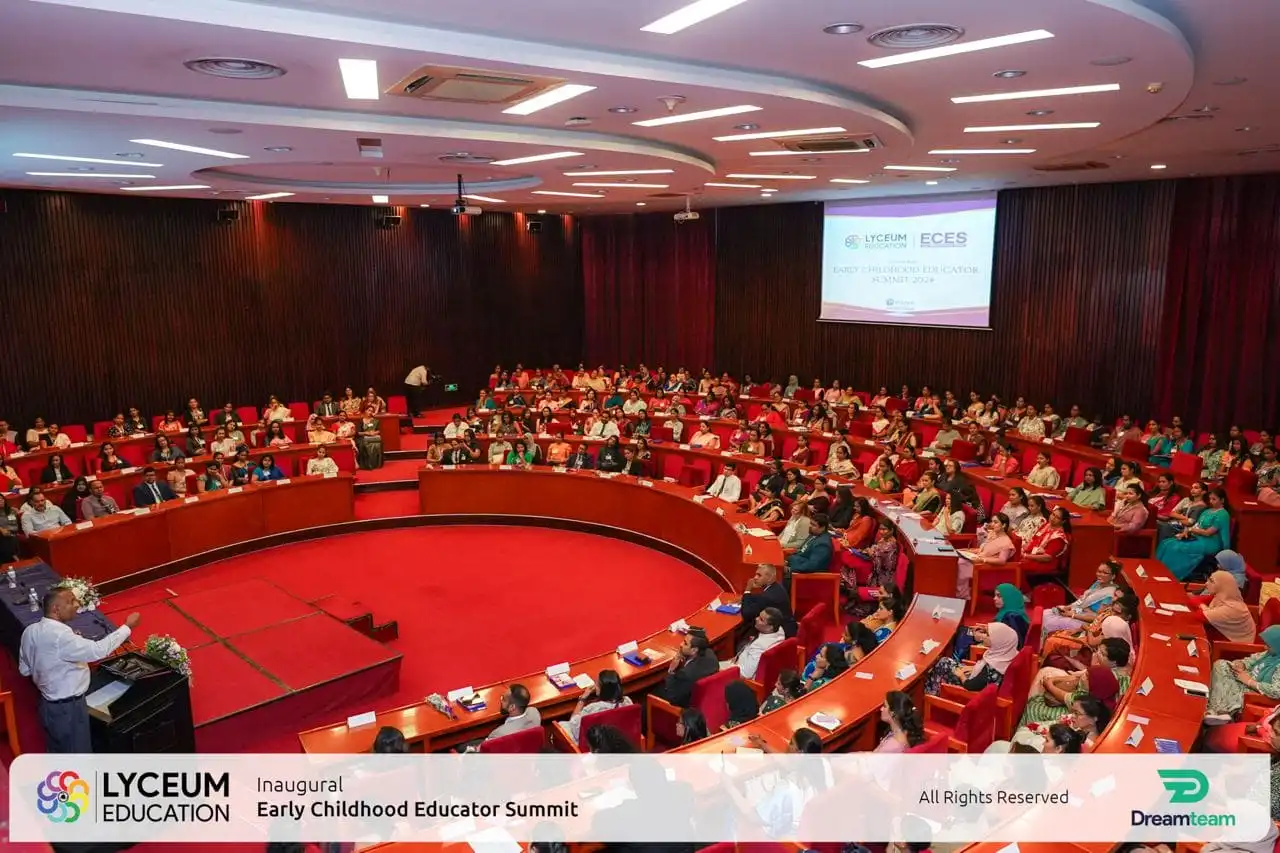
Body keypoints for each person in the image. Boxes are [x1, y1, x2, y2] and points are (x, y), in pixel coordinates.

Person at [19, 587, 140, 752]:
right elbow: (98, 650)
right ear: (56, 609)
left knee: (57, 752)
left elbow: (25, 670)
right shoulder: (61, 637)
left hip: (47, 706)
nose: (77, 604)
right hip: (69, 709)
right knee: (78, 756)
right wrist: (127, 627)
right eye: (71, 602)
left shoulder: (30, 631)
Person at [1204, 627, 1280, 725]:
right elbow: (1252, 660)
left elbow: (1276, 691)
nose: (1265, 647)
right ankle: (1217, 711)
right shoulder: (1271, 653)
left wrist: (1249, 681)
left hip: (1257, 692)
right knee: (1221, 665)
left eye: (1269, 646)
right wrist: (1242, 664)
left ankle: (1218, 711)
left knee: (1226, 685)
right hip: (1245, 678)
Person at [1155, 486, 1231, 580]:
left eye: (1214, 499)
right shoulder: (1207, 511)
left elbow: (1208, 533)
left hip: (1210, 542)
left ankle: (1170, 576)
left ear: (1222, 500)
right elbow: (1196, 525)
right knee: (1167, 543)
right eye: (1210, 499)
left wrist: (1191, 530)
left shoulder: (1223, 514)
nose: (1211, 501)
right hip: (1197, 537)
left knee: (1176, 547)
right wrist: (1185, 533)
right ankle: (1157, 571)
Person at [925, 621, 1019, 695]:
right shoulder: (1004, 655)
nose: (983, 636)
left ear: (998, 641)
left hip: (969, 686)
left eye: (987, 635)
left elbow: (970, 686)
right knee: (944, 661)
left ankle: (931, 693)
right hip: (975, 675)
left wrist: (961, 675)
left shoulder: (992, 669)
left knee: (942, 665)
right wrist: (970, 668)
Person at [1042, 559, 1121, 634]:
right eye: (1099, 571)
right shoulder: (1097, 583)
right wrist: (1068, 607)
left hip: (1087, 621)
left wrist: (1072, 615)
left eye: (1105, 573)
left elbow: (1098, 618)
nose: (1100, 574)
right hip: (1080, 611)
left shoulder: (1110, 594)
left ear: (1113, 576)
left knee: (1052, 622)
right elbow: (1083, 601)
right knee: (1045, 613)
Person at [956, 512, 1016, 600]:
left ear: (1003, 525)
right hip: (977, 559)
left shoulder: (1006, 542)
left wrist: (983, 560)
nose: (992, 524)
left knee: (961, 562)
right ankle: (959, 591)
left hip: (986, 566)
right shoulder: (993, 534)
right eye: (992, 521)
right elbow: (983, 550)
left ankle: (962, 595)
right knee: (955, 558)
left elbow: (1002, 560)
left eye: (996, 522)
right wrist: (965, 550)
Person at [565, 669, 633, 743]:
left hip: (595, 744)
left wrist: (582, 699)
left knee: (562, 725)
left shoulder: (593, 709)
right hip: (618, 741)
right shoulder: (627, 701)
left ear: (602, 690)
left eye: (596, 684)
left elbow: (574, 725)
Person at [654, 631, 720, 707]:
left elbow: (672, 696)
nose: (681, 644)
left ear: (694, 650)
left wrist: (671, 670)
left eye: (685, 643)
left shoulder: (686, 674)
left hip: (685, 704)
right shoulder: (710, 653)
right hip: (707, 698)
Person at [1193, 569, 1257, 643]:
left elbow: (1198, 616)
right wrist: (1205, 608)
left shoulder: (1231, 608)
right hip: (1221, 636)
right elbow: (1194, 600)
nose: (1206, 583)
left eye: (1211, 581)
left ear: (1222, 585)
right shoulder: (1222, 596)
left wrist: (1204, 608)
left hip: (1234, 646)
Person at [730, 607, 786, 679]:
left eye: (761, 619)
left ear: (770, 627)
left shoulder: (759, 646)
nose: (756, 619)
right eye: (759, 616)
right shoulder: (779, 630)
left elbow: (745, 674)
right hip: (740, 661)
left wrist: (731, 666)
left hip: (739, 674)